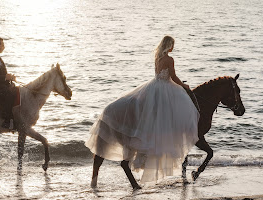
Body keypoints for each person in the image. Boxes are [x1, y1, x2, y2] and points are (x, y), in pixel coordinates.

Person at [86, 36, 200, 184]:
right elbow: (173, 77)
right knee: (175, 109)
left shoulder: (158, 57)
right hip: (163, 88)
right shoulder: (169, 59)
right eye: (172, 45)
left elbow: (160, 75)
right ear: (169, 45)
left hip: (153, 86)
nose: (173, 47)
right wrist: (184, 86)